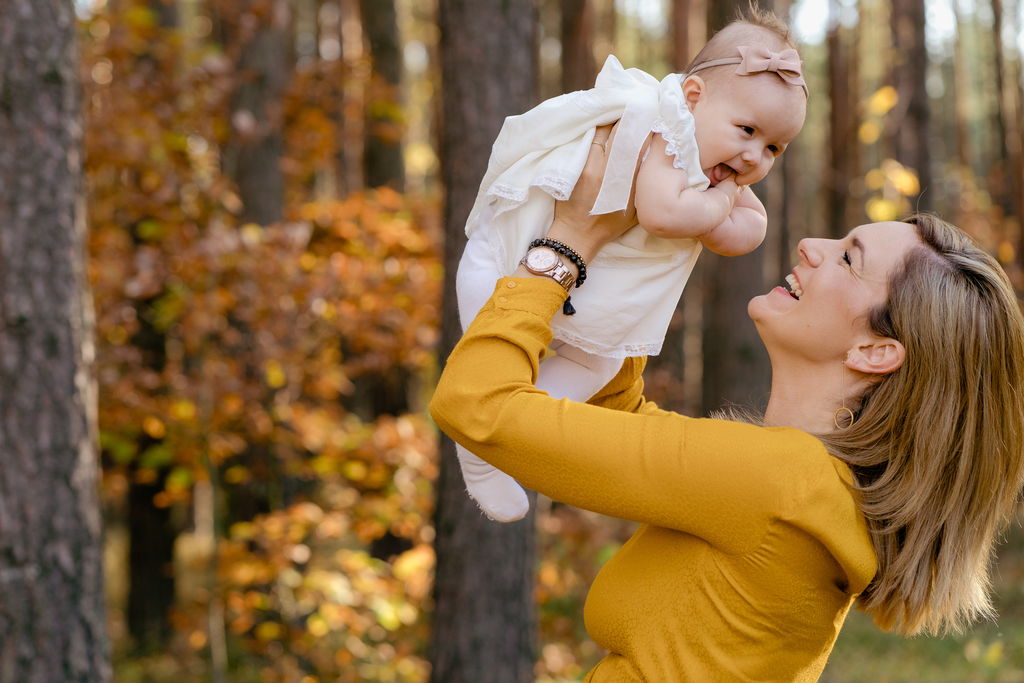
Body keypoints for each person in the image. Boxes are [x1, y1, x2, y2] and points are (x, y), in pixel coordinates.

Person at [430, 127, 1024, 679]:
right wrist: (650, 248)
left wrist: (566, 245)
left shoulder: (781, 484)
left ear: (875, 351)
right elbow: (615, 412)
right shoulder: (807, 488)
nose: (811, 245)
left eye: (848, 257)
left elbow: (476, 405)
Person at [456, 8, 807, 521]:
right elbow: (664, 214)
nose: (754, 156)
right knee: (491, 362)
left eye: (773, 146)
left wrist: (726, 205)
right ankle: (482, 442)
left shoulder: (715, 164)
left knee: (601, 363)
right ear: (692, 98)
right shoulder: (665, 133)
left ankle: (507, 432)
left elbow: (745, 234)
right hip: (501, 258)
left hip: (564, 280)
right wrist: (720, 206)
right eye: (747, 129)